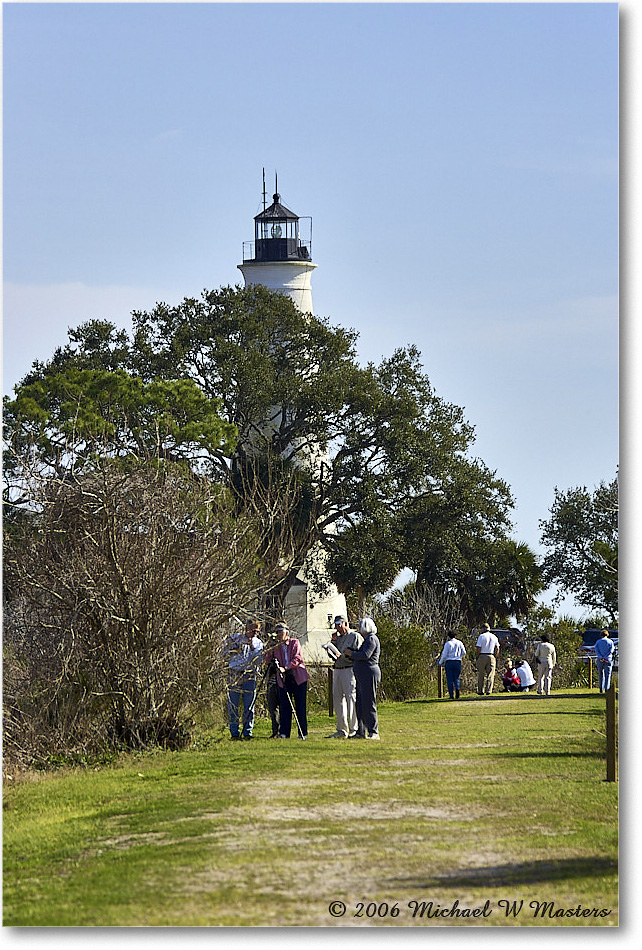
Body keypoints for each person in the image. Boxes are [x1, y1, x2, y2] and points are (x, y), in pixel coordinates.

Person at [323, 615, 363, 738]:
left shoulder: (354, 636)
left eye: (339, 625)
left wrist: (346, 655)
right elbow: (335, 653)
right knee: (338, 699)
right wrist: (333, 644)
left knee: (351, 698)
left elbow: (359, 654)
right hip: (338, 669)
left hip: (349, 670)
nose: (338, 628)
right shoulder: (338, 638)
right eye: (336, 625)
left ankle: (353, 728)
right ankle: (341, 729)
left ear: (346, 623)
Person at [343, 617, 381, 740]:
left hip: (369, 673)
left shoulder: (371, 639)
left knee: (369, 702)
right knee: (360, 703)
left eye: (360, 626)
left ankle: (373, 731)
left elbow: (365, 655)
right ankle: (361, 731)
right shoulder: (366, 640)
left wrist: (352, 654)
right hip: (361, 674)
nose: (359, 629)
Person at [226, 618, 263, 740]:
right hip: (235, 673)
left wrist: (252, 648)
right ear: (246, 629)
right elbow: (224, 653)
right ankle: (234, 732)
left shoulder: (258, 643)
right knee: (233, 704)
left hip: (250, 674)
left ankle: (247, 732)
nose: (254, 634)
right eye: (253, 631)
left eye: (257, 631)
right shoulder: (234, 639)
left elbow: (259, 661)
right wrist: (236, 649)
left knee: (249, 705)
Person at [272, 621, 309, 739]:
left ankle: (302, 732)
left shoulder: (294, 642)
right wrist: (269, 648)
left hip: (297, 677)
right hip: (283, 679)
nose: (278, 634)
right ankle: (284, 732)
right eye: (276, 632)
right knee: (284, 706)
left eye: (280, 632)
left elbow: (297, 658)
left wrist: (286, 668)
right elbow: (268, 660)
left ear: (286, 632)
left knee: (300, 706)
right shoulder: (275, 647)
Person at [438, 631, 467, 699]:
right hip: (457, 662)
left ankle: (451, 694)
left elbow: (444, 655)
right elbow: (464, 652)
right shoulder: (459, 643)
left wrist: (440, 662)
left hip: (449, 662)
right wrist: (459, 656)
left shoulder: (448, 644)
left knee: (450, 679)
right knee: (456, 677)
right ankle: (457, 689)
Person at [475, 623, 500, 695]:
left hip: (482, 655)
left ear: (483, 628)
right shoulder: (494, 637)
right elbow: (497, 648)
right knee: (490, 674)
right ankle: (488, 690)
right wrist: (495, 656)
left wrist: (477, 656)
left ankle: (480, 690)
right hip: (491, 655)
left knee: (481, 674)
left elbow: (478, 648)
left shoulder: (481, 636)